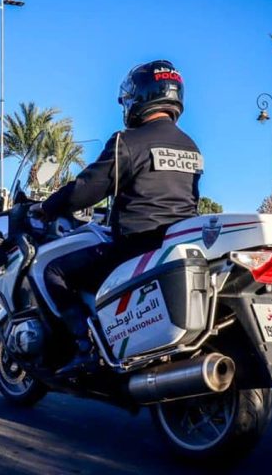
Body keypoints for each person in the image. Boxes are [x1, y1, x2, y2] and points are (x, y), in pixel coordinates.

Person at [30, 60, 202, 374]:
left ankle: (83, 348)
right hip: (172, 247)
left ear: (140, 97)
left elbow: (85, 190)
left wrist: (46, 207)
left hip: (135, 246)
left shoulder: (129, 141)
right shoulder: (190, 146)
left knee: (54, 271)